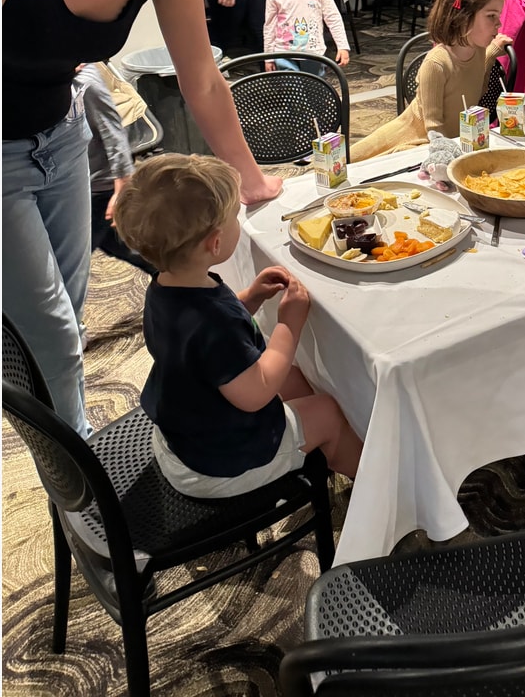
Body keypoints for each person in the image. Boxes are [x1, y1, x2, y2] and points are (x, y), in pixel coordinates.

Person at [4, 0, 284, 439]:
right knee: (46, 328)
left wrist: (250, 178)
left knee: (65, 313)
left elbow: (203, 78)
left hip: (62, 139)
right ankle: (79, 481)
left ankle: (63, 436)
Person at [111, 154, 364, 495]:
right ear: (215, 243)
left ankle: (311, 449)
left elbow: (204, 348)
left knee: (296, 378)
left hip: (185, 433)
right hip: (215, 466)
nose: (237, 221)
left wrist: (250, 298)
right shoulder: (212, 323)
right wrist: (289, 325)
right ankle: (376, 493)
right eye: (234, 217)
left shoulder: (166, 287)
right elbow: (257, 392)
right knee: (327, 412)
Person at [351, 0, 513, 162]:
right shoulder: (436, 64)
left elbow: (476, 85)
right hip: (415, 140)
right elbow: (434, 127)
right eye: (491, 16)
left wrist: (491, 53)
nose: (499, 23)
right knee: (352, 161)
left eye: (498, 15)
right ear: (463, 16)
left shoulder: (479, 49)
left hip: (449, 142)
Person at [74, 62, 153, 277]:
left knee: (70, 263)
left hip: (100, 187)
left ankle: (182, 276)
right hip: (81, 185)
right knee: (124, 246)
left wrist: (121, 188)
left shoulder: (85, 82)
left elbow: (114, 133)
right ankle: (177, 276)